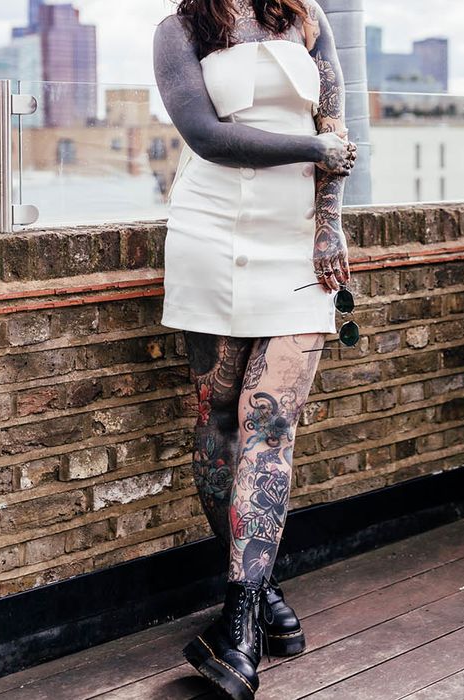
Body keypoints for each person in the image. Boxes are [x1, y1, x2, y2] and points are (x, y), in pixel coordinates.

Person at [153, 0, 356, 697]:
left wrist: (330, 226)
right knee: (217, 421)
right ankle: (262, 595)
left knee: (267, 425)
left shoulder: (308, 18)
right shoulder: (179, 30)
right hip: (210, 232)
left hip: (295, 243)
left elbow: (336, 129)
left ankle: (236, 628)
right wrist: (310, 151)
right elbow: (207, 136)